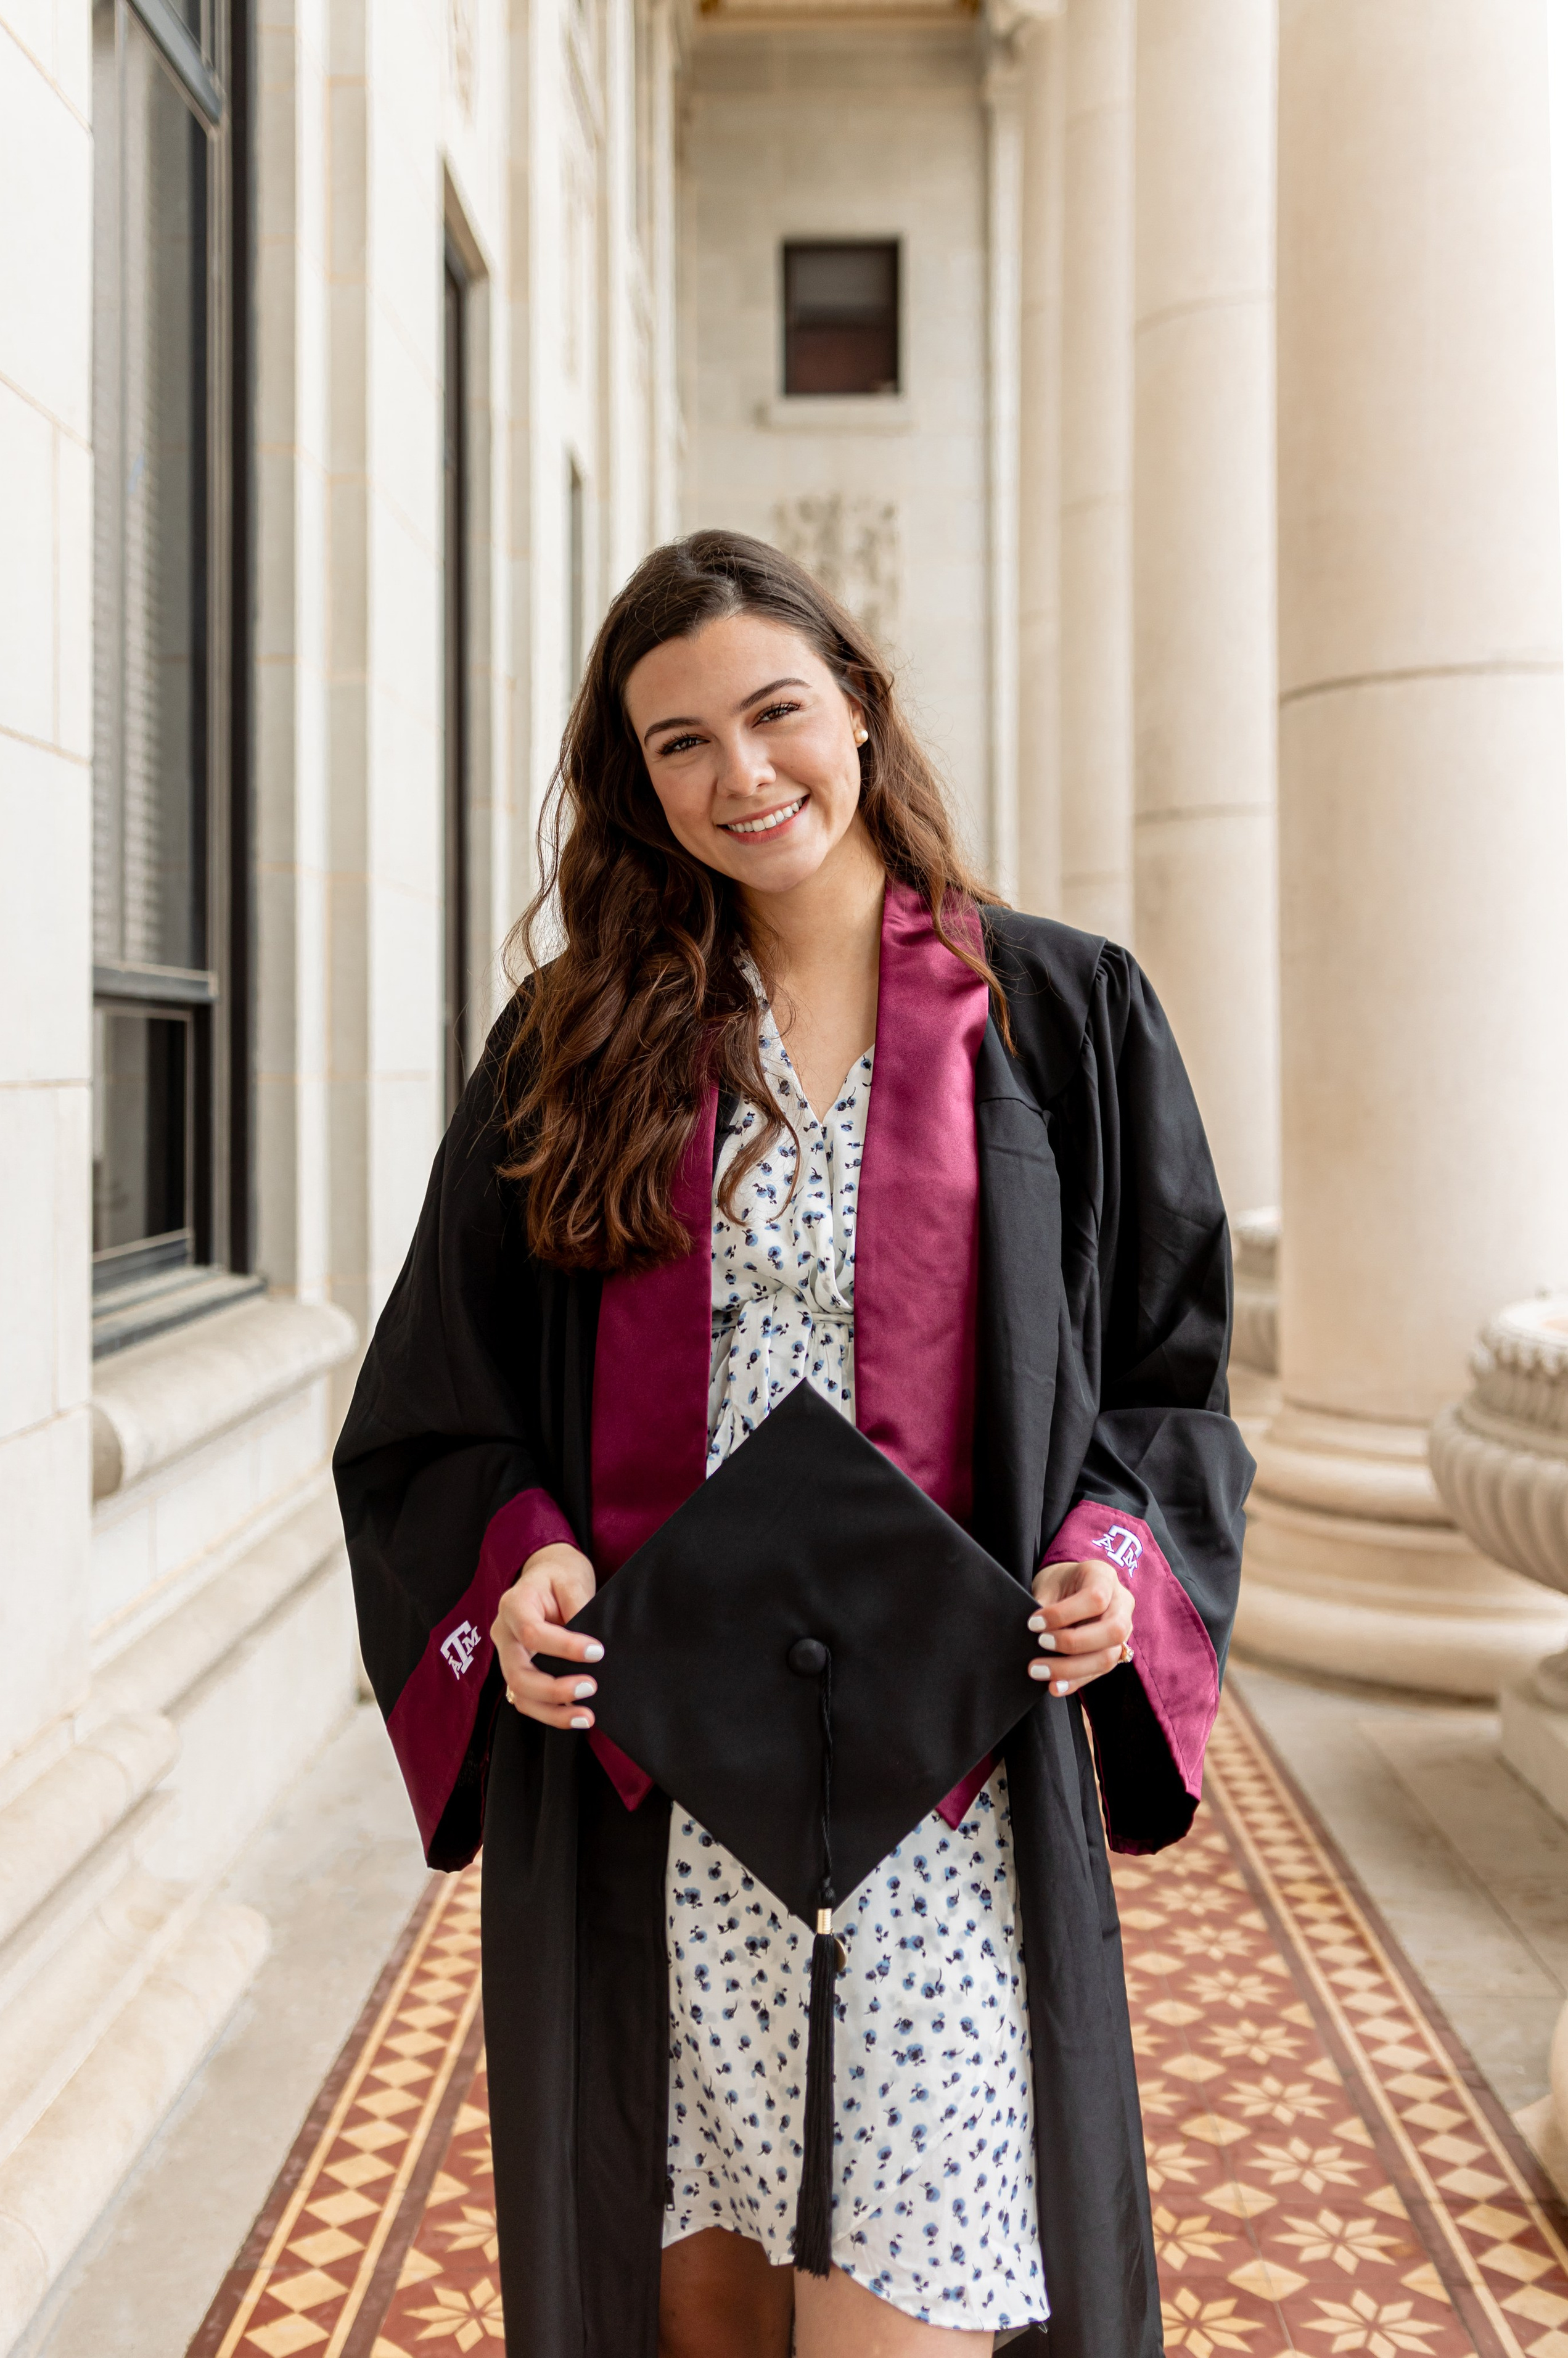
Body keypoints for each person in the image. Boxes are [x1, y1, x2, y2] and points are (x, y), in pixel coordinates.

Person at [334, 530, 1252, 2358]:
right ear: (635, 779)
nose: (741, 775)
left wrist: (1110, 1555)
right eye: (679, 742)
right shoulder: (576, 1043)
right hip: (657, 1788)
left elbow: (1170, 1378)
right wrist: (524, 1557)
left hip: (942, 1785)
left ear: (860, 711)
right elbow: (440, 1398)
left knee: (907, 2298)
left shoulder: (1058, 1017)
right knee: (690, 2306)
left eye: (776, 714)